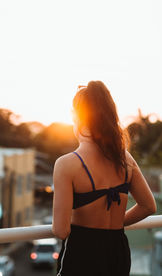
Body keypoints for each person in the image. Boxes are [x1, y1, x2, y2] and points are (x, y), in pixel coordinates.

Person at [52, 81, 156, 276]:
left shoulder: (66, 164)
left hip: (82, 256)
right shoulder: (125, 158)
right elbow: (149, 206)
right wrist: (116, 223)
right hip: (118, 251)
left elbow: (61, 230)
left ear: (77, 116)